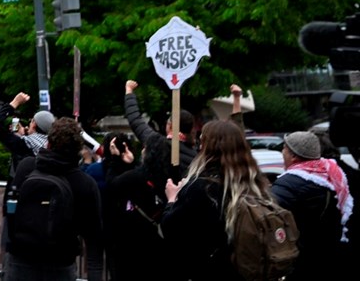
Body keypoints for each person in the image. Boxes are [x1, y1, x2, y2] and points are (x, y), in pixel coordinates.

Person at [160, 119, 270, 281]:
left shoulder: (201, 187)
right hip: (247, 269)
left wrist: (173, 199)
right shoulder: (255, 182)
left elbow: (170, 229)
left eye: (202, 141)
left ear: (207, 147)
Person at [3, 117, 104, 281]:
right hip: (60, 265)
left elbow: (10, 209)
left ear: (48, 143)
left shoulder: (26, 167)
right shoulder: (85, 184)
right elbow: (94, 240)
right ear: (78, 149)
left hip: (20, 260)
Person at [270, 130, 352, 277]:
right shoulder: (332, 173)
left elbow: (270, 215)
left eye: (284, 148)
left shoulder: (288, 184)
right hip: (332, 254)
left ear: (293, 156)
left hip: (302, 259)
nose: (282, 152)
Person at [107, 135, 170, 281]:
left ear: (148, 152)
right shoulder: (167, 177)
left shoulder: (135, 176)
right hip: (156, 243)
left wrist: (115, 159)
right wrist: (131, 163)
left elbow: (113, 185)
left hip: (131, 243)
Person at [125, 80, 196, 173]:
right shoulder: (196, 156)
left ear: (170, 126)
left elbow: (135, 120)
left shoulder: (157, 143)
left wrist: (129, 91)